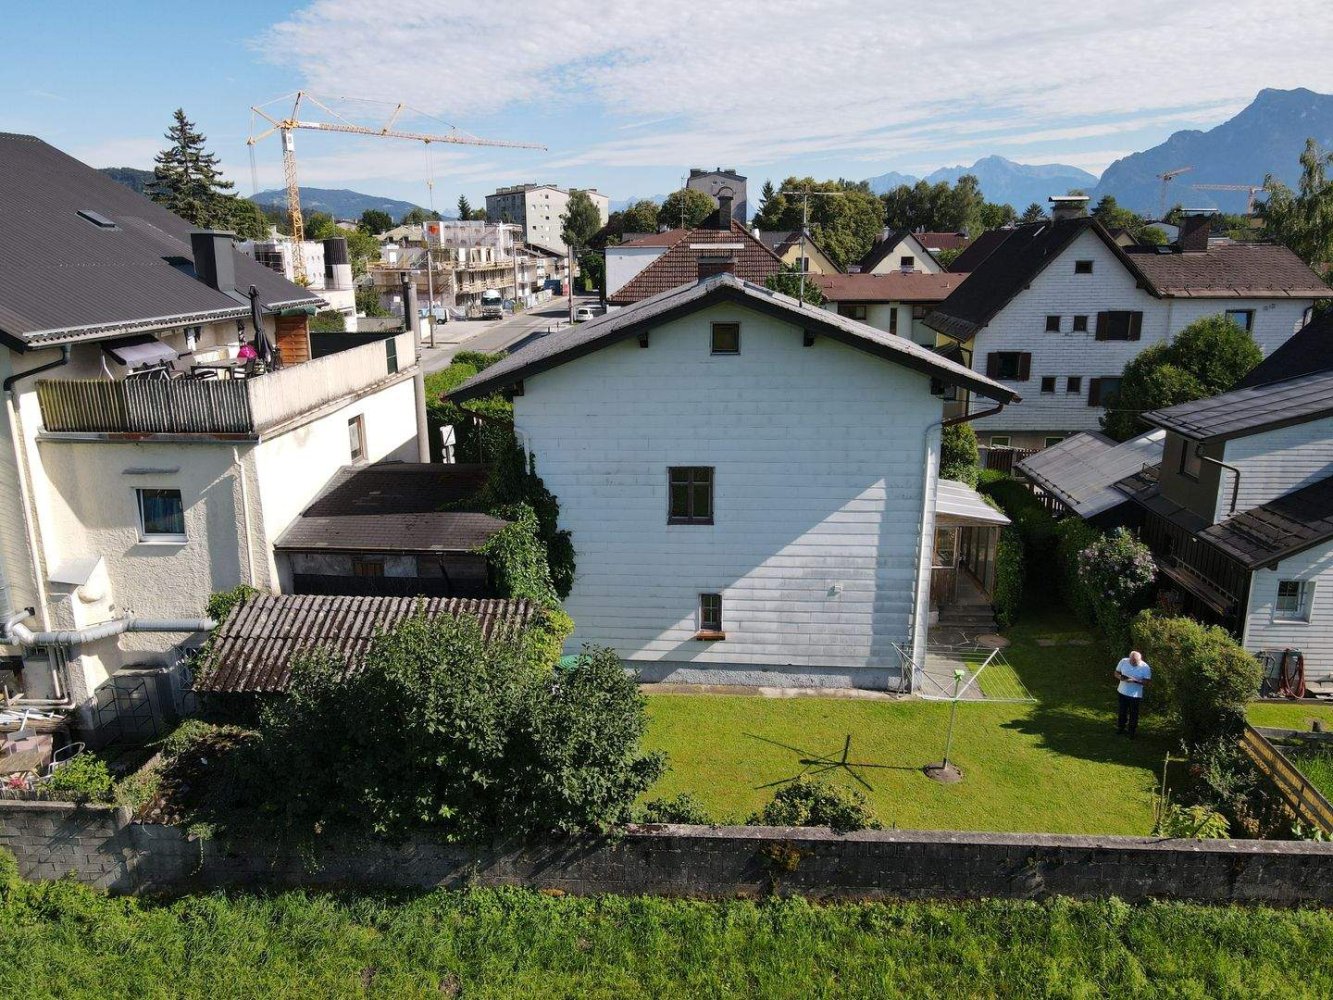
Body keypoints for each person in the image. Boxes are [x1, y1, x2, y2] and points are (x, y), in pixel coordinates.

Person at [1114, 650, 1151, 737]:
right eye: (1132, 661)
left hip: (1135, 695)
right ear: (1129, 658)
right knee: (1122, 711)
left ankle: (1132, 731)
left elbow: (1147, 682)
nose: (1133, 663)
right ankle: (1121, 727)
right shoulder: (1123, 661)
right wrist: (1120, 677)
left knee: (1133, 713)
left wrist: (1135, 681)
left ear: (1140, 660)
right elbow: (1116, 673)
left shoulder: (1145, 667)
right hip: (1122, 691)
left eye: (1135, 662)